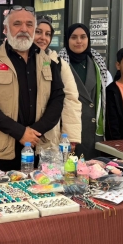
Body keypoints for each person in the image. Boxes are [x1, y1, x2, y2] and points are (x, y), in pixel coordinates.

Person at [0, 7, 65, 171]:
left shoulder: (48, 62)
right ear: (6, 29)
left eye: (29, 24)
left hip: (38, 148)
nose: (24, 29)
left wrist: (34, 132)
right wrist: (20, 132)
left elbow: (58, 100)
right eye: (17, 24)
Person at [59, 24, 112, 158]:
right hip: (69, 132)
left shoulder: (97, 63)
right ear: (67, 40)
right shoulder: (59, 64)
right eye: (74, 37)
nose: (79, 41)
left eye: (83, 37)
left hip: (94, 132)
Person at [33, 16, 82, 150]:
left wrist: (70, 137)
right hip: (22, 133)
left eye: (48, 34)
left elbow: (71, 99)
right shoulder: (19, 61)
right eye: (38, 32)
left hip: (50, 135)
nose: (43, 38)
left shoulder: (59, 64)